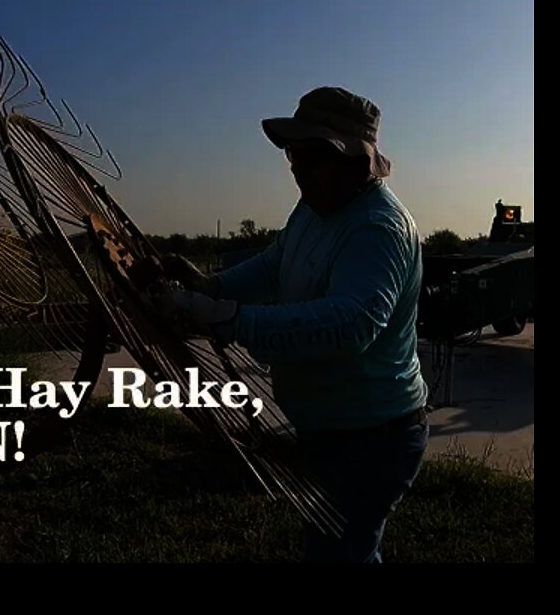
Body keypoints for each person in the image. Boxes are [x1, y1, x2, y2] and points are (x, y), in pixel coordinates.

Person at [164, 85, 429, 563]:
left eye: (310, 155)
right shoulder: (315, 205)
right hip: (333, 430)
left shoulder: (376, 227)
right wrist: (213, 286)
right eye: (292, 153)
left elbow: (352, 324)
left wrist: (231, 320)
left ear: (352, 160)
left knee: (339, 552)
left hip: (372, 438)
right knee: (338, 549)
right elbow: (274, 265)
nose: (295, 168)